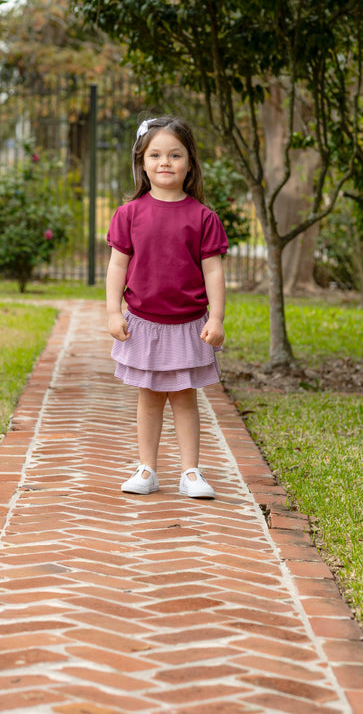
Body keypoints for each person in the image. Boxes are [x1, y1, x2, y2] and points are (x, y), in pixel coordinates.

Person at [106, 116, 228, 499]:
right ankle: (147, 469)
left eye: (175, 155)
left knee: (185, 397)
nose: (165, 162)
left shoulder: (202, 217)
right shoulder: (129, 214)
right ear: (142, 162)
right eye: (156, 155)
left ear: (189, 162)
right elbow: (117, 265)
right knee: (149, 396)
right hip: (143, 322)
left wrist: (218, 318)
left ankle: (191, 472)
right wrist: (113, 311)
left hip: (188, 324)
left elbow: (214, 271)